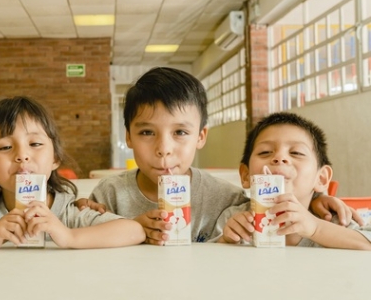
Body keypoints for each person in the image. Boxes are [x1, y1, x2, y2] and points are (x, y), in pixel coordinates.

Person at [76, 67, 360, 245]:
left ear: (201, 136)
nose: (164, 148)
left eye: (180, 133)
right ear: (128, 136)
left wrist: (315, 200)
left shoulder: (225, 198)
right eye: (147, 133)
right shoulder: (110, 193)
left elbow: (264, 206)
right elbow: (79, 230)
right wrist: (78, 208)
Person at [0, 96, 145, 249]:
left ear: (55, 159)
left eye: (35, 143)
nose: (22, 155)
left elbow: (133, 230)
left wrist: (68, 236)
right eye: (5, 147)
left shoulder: (66, 211)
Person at [215, 112, 371, 249]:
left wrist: (316, 228)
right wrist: (226, 241)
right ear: (245, 175)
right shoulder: (234, 219)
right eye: (265, 152)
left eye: (296, 152)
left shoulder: (335, 220)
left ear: (321, 178)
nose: (279, 158)